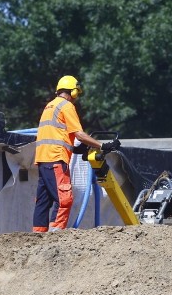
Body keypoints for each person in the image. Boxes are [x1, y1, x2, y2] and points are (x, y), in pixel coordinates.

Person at [32, 75, 117, 232]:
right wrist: (102, 145)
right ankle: (54, 237)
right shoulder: (66, 106)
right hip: (56, 159)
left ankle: (38, 236)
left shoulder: (49, 106)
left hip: (43, 160)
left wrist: (76, 149)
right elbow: (79, 134)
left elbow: (55, 137)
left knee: (43, 201)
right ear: (73, 91)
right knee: (64, 199)